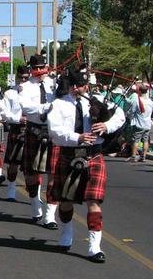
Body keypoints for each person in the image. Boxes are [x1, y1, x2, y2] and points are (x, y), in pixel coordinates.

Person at [48, 68, 125, 263]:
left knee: (94, 201)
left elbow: (120, 116)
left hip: (94, 155)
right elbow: (54, 131)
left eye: (81, 86)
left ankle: (94, 246)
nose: (77, 89)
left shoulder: (98, 101)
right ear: (70, 85)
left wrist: (107, 125)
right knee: (65, 201)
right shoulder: (58, 105)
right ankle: (66, 234)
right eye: (74, 86)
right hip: (69, 154)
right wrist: (78, 137)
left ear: (86, 86)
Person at [19, 54, 59, 229]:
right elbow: (25, 106)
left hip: (53, 131)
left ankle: (50, 215)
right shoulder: (25, 87)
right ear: (31, 69)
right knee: (31, 174)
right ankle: (35, 202)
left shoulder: (55, 84)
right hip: (34, 130)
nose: (39, 72)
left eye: (42, 68)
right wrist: (45, 107)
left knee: (54, 174)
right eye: (36, 69)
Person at [1, 66, 29, 200]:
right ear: (17, 78)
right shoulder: (10, 93)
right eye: (21, 77)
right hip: (16, 130)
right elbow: (5, 113)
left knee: (33, 166)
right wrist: (18, 119)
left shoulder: (36, 93)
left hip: (32, 131)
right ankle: (11, 189)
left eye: (26, 78)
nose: (23, 80)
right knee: (13, 164)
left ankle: (35, 194)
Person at [127, 84, 153, 162]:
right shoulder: (151, 102)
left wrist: (130, 117)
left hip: (139, 123)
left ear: (139, 91)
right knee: (145, 140)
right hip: (147, 124)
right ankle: (144, 156)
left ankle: (133, 156)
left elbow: (132, 111)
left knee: (136, 140)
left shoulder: (137, 101)